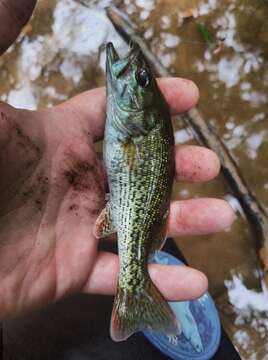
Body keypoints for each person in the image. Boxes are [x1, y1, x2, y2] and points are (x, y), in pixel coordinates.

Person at [0, 1, 235, 321]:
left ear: (145, 116)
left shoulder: (138, 128)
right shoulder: (133, 126)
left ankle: (134, 290)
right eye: (143, 78)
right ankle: (136, 294)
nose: (135, 74)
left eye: (140, 80)